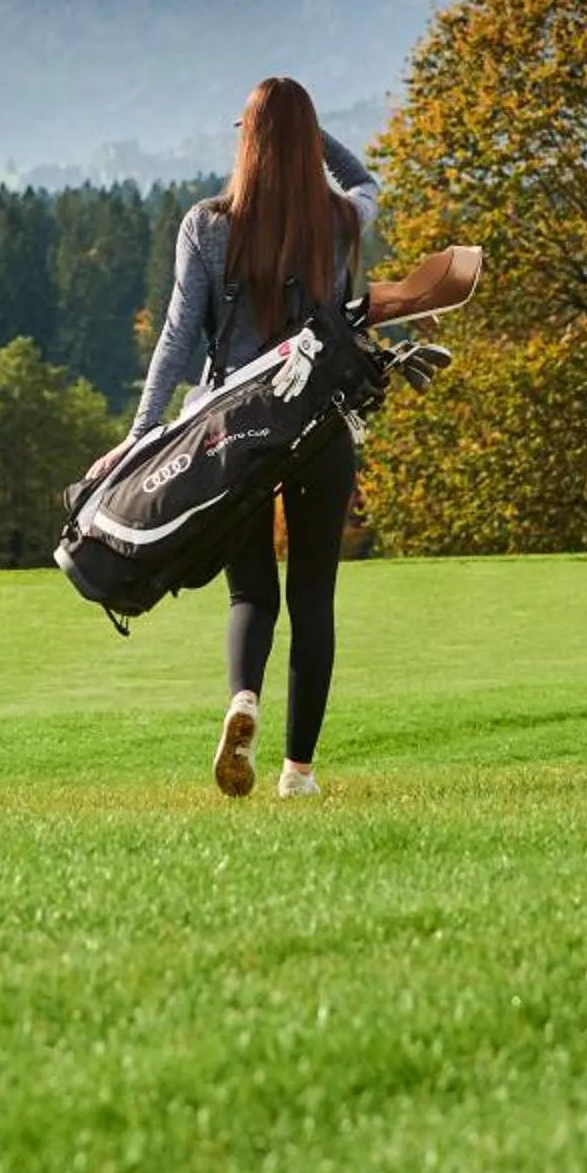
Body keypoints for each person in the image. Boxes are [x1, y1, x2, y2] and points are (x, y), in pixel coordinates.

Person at [99, 75, 379, 801]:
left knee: (252, 593)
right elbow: (366, 179)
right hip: (318, 424)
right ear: (307, 141)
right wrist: (310, 140)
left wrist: (140, 435)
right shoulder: (341, 221)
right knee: (314, 597)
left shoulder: (208, 224)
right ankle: (298, 774)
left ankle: (243, 703)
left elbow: (175, 342)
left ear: (246, 141)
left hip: (232, 434)